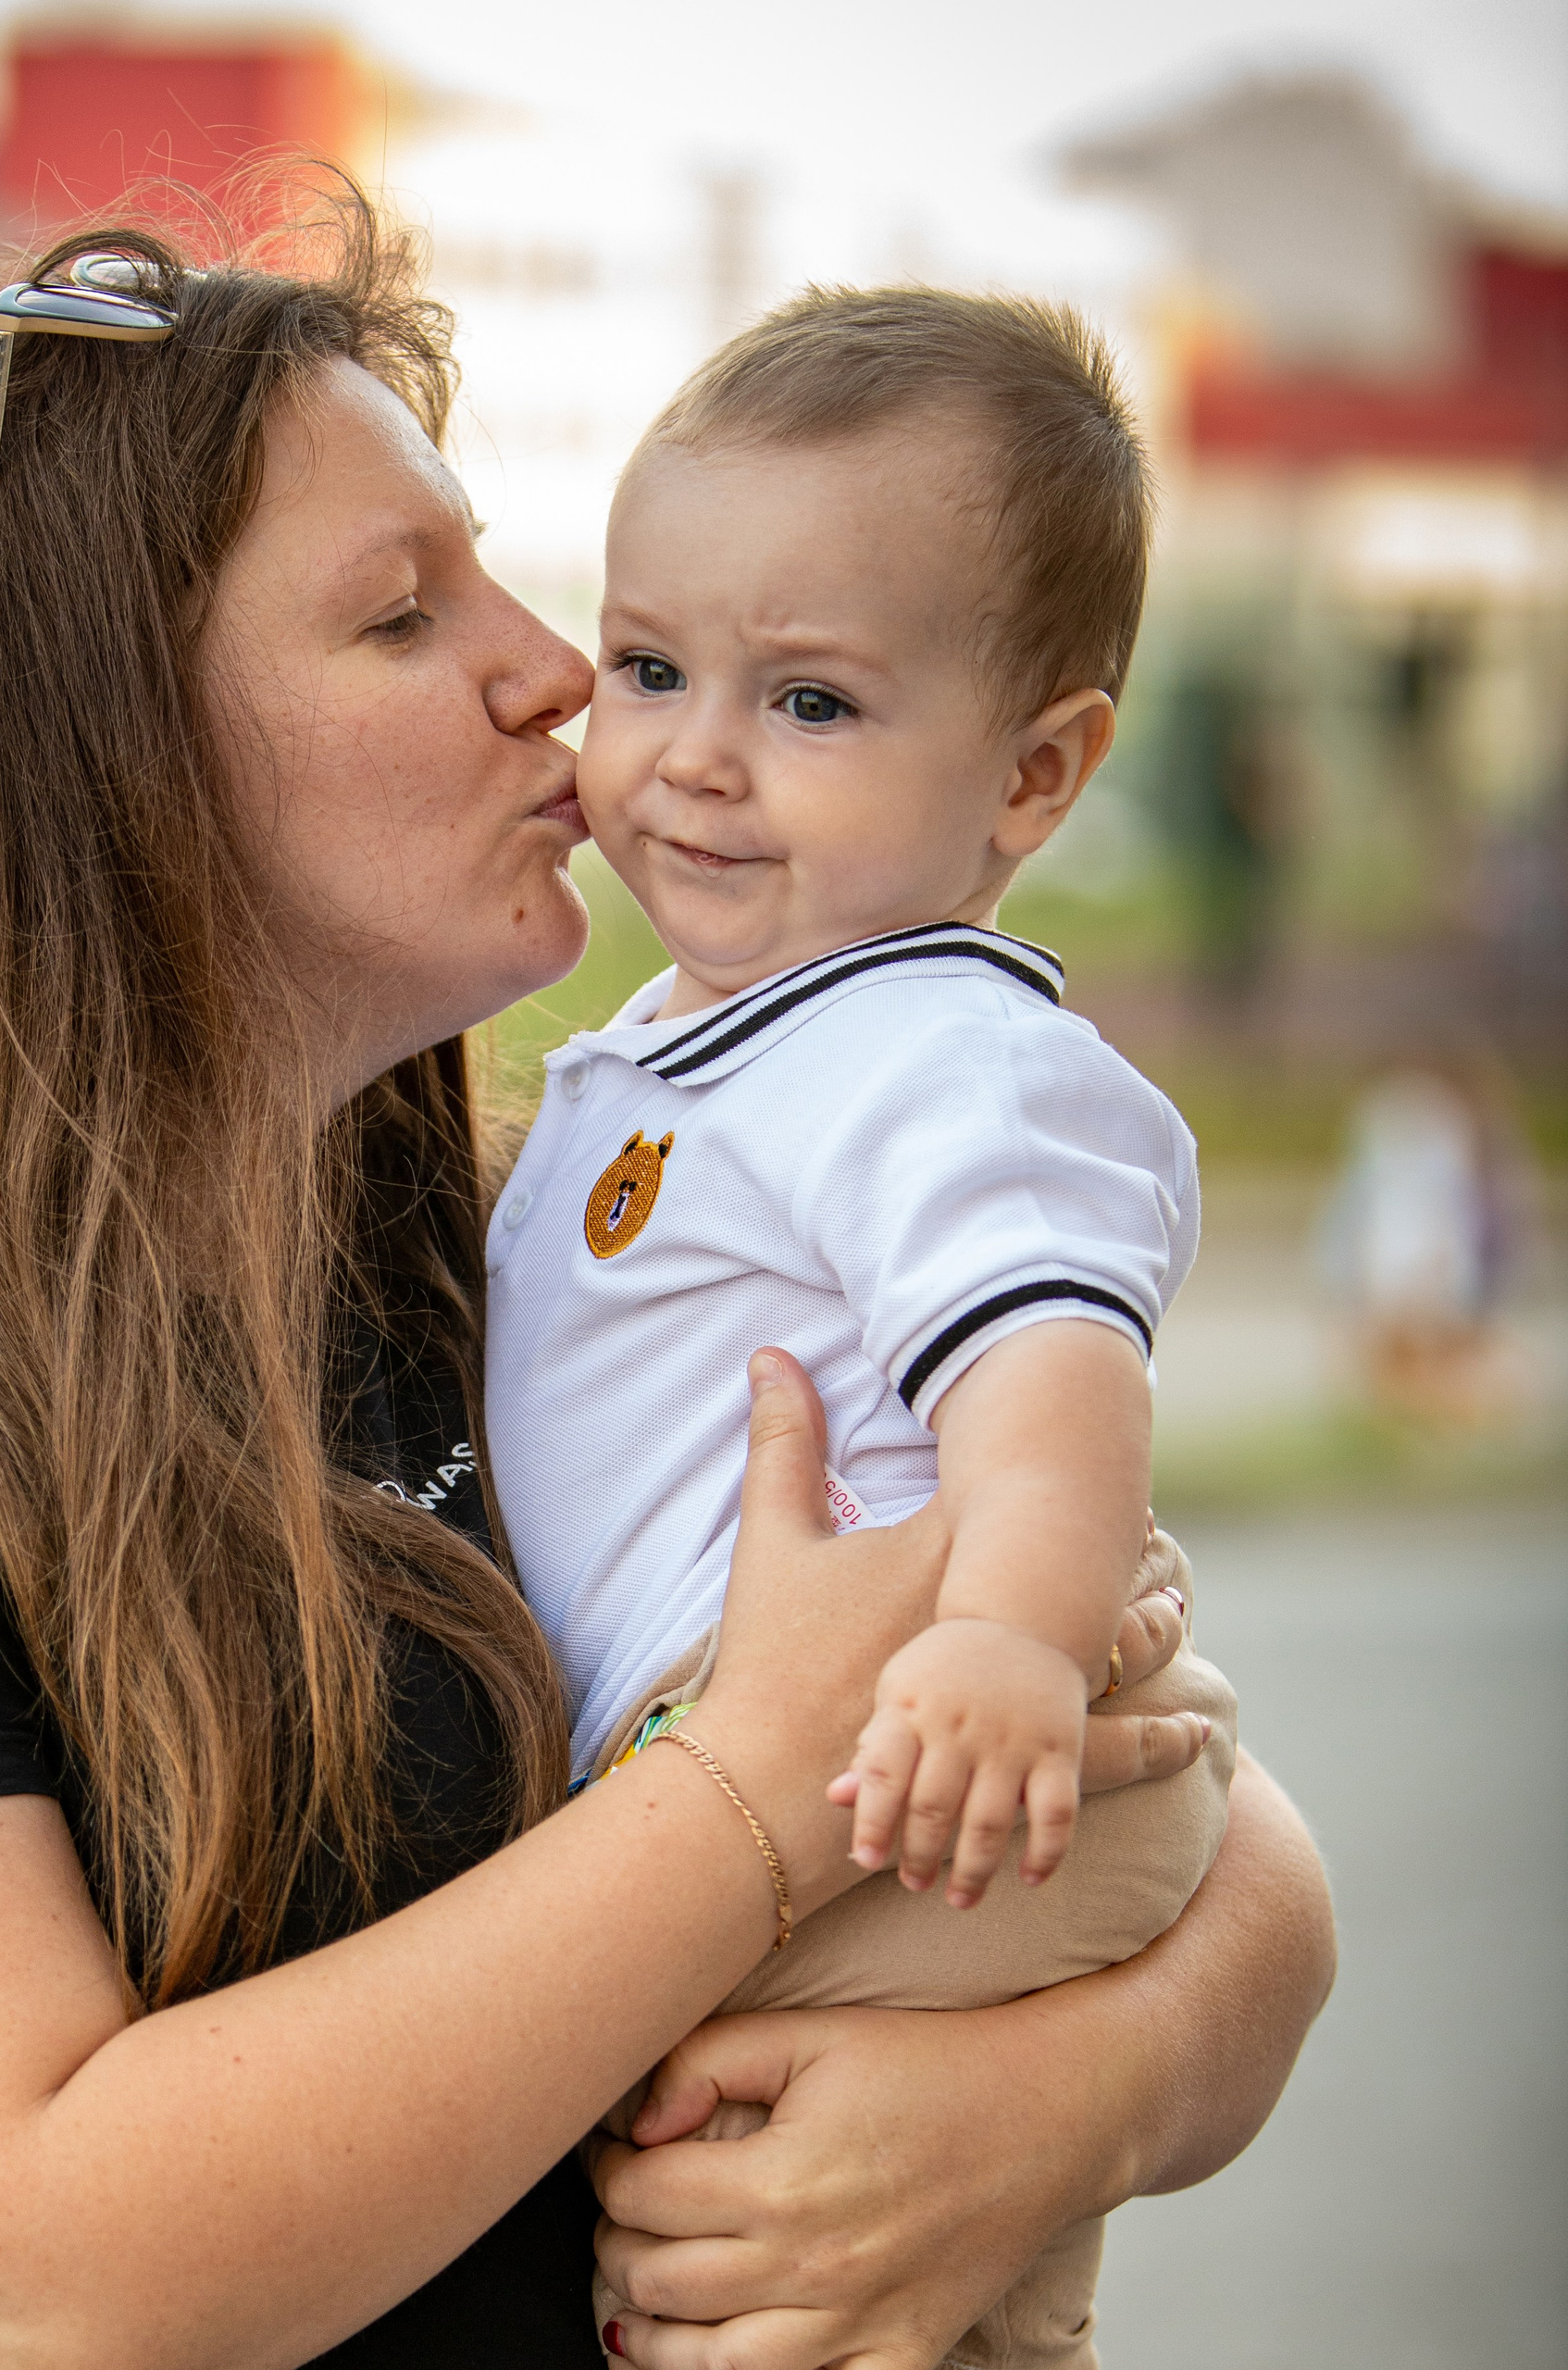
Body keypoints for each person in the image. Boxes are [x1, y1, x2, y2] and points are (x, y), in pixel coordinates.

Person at [0, 208, 1334, 2370]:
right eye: (400, 615)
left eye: (506, 582)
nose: (553, 673)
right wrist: (755, 1781)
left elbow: (1201, 1801)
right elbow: (18, 2280)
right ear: (104, 750)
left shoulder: (506, 1229)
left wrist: (1075, 2092)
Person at [485, 290, 1231, 2368]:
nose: (692, 756)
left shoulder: (932, 1054)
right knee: (872, 2288)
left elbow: (1050, 1372)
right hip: (826, 1770)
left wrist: (1003, 1634)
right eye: (645, 668)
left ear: (1033, 770)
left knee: (768, 2266)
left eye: (807, 703)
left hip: (921, 1770)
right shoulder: (706, 1040)